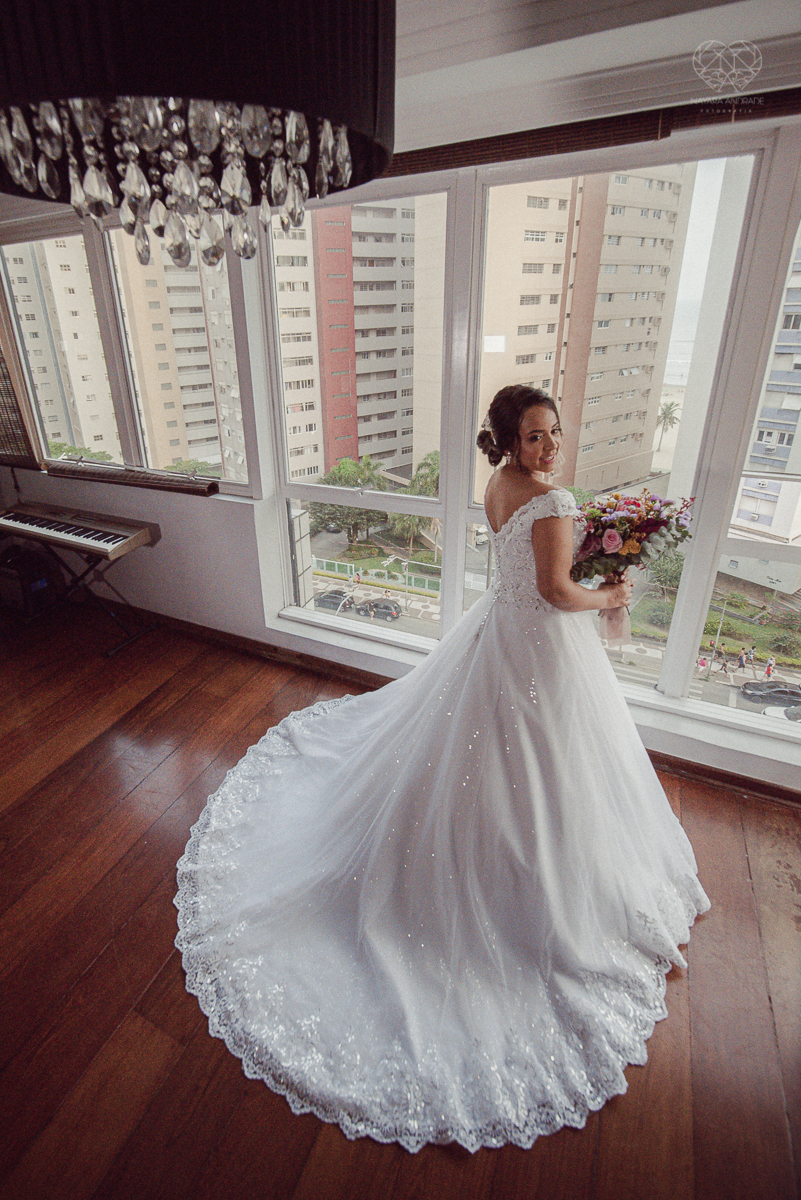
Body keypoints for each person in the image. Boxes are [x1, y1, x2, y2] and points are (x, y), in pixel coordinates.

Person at [175, 384, 708, 1154]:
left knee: (491, 753)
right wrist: (612, 591)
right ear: (509, 440)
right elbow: (557, 590)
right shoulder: (552, 500)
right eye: (533, 436)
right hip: (540, 651)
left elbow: (522, 572)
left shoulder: (500, 486)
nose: (549, 446)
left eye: (554, 432)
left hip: (498, 635)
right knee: (541, 763)